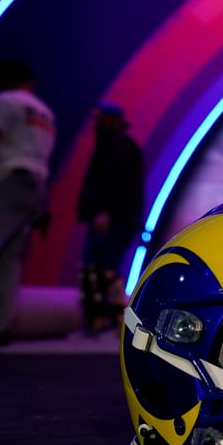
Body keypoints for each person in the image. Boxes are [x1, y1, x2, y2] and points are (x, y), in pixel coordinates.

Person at [0, 59, 55, 346]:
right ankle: (2, 325)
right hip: (36, 185)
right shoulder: (44, 112)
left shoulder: (6, 102)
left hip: (9, 178)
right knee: (11, 258)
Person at [76, 102, 144, 334]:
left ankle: (103, 320)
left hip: (116, 217)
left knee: (100, 270)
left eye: (102, 119)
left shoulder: (119, 147)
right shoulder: (114, 145)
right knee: (105, 270)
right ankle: (114, 320)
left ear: (114, 121)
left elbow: (116, 183)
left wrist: (106, 211)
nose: (97, 124)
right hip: (119, 216)